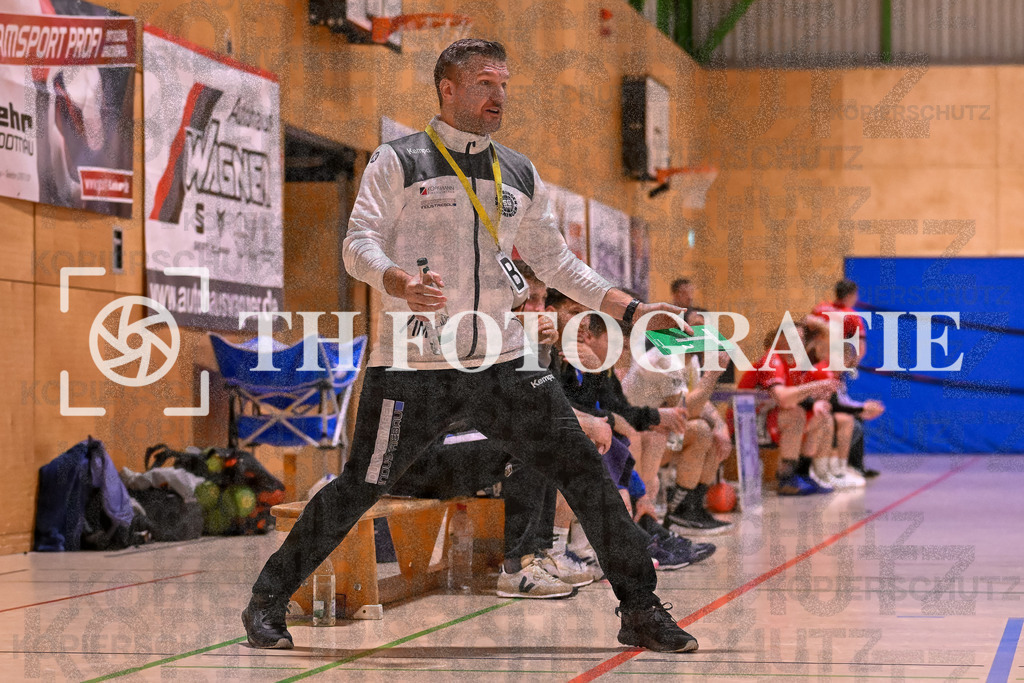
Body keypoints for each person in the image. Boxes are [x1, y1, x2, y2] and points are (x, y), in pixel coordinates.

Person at [242, 38, 699, 653]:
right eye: (485, 83)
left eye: (504, 85)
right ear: (448, 89)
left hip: (504, 361)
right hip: (413, 362)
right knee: (362, 483)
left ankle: (639, 607)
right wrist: (397, 278)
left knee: (583, 468)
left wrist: (633, 308)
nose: (499, 96)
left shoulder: (518, 170)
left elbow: (557, 264)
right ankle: (268, 600)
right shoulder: (397, 160)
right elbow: (358, 243)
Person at [736, 323, 839, 496]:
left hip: (766, 417)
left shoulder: (791, 365)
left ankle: (803, 474)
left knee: (821, 416)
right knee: (795, 415)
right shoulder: (772, 359)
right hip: (744, 420)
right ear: (780, 339)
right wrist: (816, 386)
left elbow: (795, 397)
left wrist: (816, 400)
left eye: (800, 340)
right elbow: (783, 398)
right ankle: (786, 478)